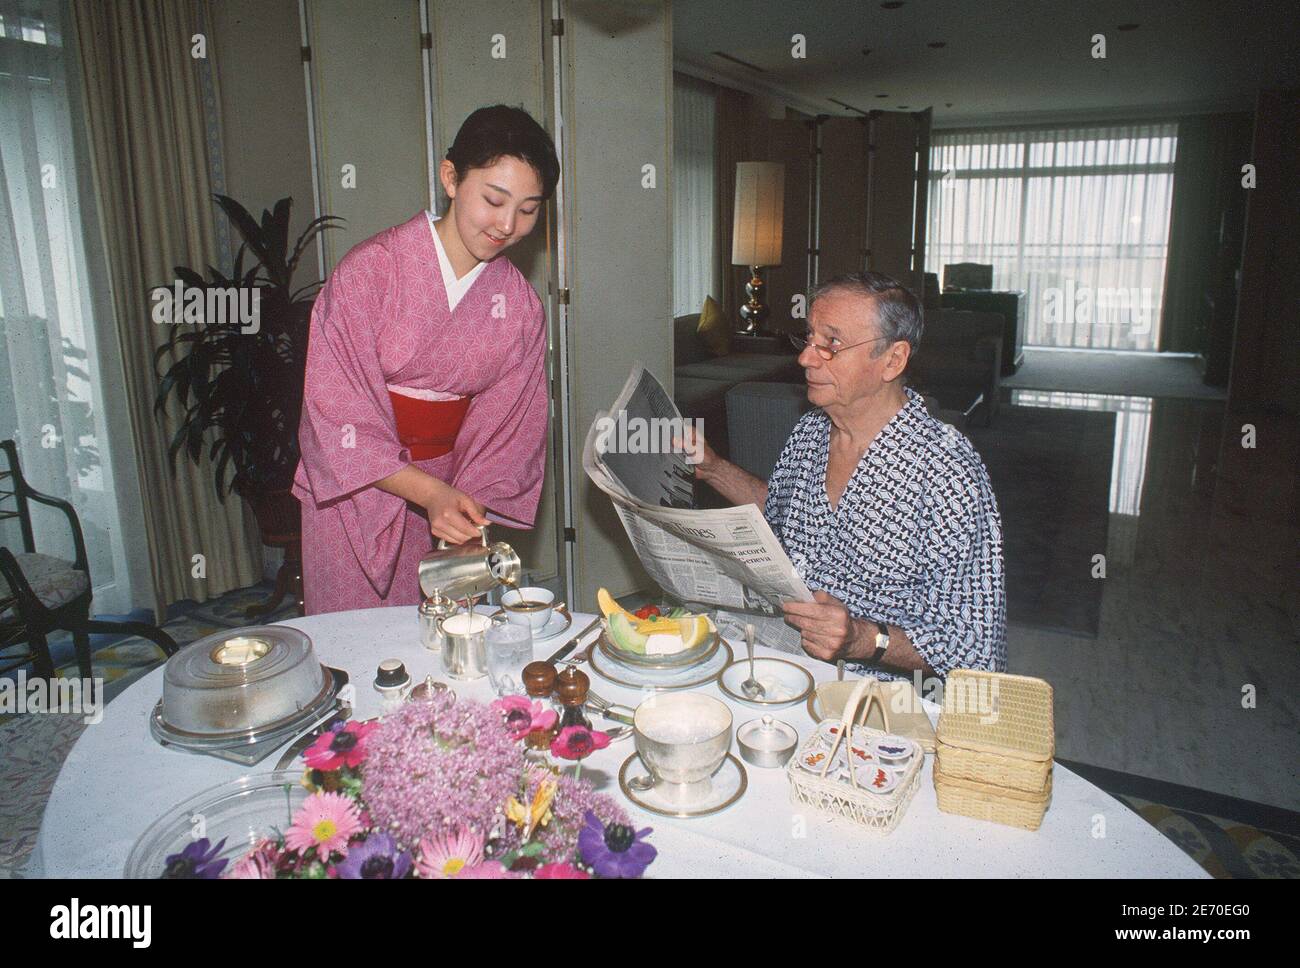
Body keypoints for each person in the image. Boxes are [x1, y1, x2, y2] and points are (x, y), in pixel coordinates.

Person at [293, 105, 560, 614]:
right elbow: (336, 414)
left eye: (528, 209)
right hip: (356, 490)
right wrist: (428, 492)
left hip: (455, 493)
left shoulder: (520, 307)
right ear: (451, 177)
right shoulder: (369, 274)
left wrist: (464, 504)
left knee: (449, 643)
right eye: (494, 200)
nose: (507, 225)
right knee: (357, 647)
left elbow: (509, 429)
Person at [691, 272, 1006, 680]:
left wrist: (861, 638)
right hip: (793, 651)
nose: (806, 358)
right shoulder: (810, 431)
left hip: (883, 687)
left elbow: (971, 648)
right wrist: (714, 468)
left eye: (832, 344)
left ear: (892, 360)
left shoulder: (946, 472)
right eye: (809, 338)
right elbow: (785, 509)